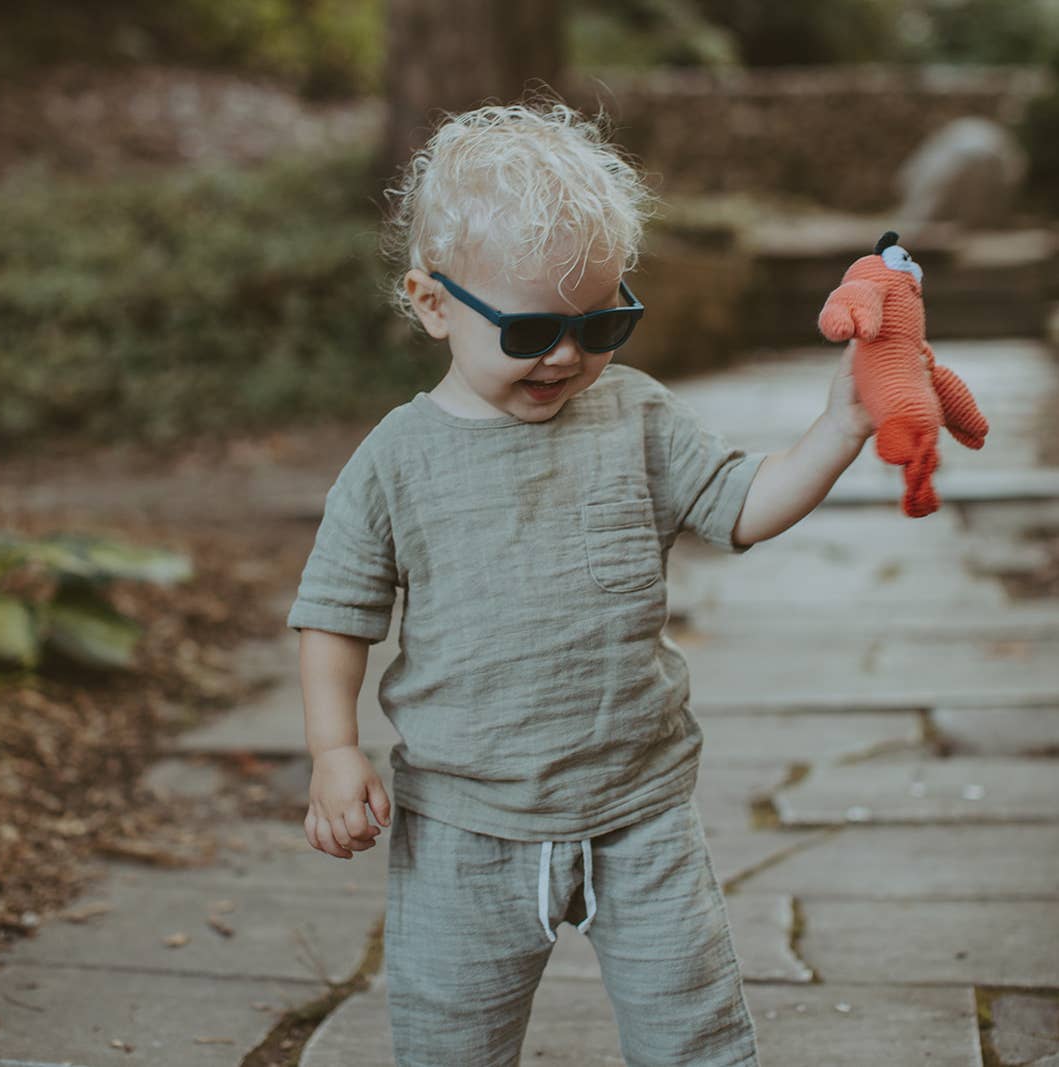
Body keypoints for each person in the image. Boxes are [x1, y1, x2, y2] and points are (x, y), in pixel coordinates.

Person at [286, 95, 875, 1067]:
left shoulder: (634, 417)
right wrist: (331, 747)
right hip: (462, 826)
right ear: (434, 303)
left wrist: (838, 429)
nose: (565, 354)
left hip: (639, 805)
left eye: (601, 321)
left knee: (697, 1035)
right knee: (449, 1040)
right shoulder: (396, 460)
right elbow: (334, 614)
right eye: (527, 331)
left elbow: (739, 504)